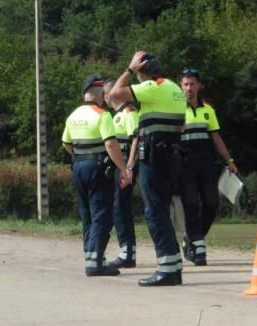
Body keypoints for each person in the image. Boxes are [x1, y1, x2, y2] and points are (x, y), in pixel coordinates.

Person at [108, 52, 186, 286]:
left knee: (154, 211)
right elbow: (181, 125)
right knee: (161, 209)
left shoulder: (153, 87)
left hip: (155, 154)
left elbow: (115, 95)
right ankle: (173, 264)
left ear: (143, 71)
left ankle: (167, 269)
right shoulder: (174, 88)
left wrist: (129, 69)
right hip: (172, 153)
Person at [62, 74, 132, 276]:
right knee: (102, 214)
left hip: (78, 166)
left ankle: (92, 256)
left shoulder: (73, 116)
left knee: (87, 215)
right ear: (99, 93)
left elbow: (67, 143)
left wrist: (80, 157)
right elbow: (110, 144)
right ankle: (95, 262)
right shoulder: (103, 115)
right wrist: (124, 168)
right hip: (98, 168)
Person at [178, 67, 238, 266]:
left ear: (199, 86)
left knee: (212, 204)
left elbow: (216, 137)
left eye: (192, 84)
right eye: (185, 84)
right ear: (180, 86)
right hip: (185, 163)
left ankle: (192, 238)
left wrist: (229, 161)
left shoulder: (208, 109)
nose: (189, 88)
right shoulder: (176, 109)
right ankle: (199, 248)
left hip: (205, 162)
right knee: (192, 205)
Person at [104, 80, 140, 267]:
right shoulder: (114, 115)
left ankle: (127, 252)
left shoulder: (128, 112)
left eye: (105, 95)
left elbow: (136, 138)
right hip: (120, 167)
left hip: (125, 167)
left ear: (110, 95)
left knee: (120, 206)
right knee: (119, 206)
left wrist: (130, 167)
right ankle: (127, 251)